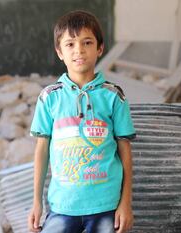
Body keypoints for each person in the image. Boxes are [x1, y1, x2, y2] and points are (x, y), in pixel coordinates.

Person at [27, 10, 136, 233]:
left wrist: (126, 204)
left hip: (106, 206)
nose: (79, 50)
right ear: (59, 52)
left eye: (87, 42)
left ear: (100, 48)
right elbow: (42, 150)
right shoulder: (49, 97)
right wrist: (36, 201)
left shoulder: (113, 96)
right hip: (62, 206)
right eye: (70, 44)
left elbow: (125, 152)